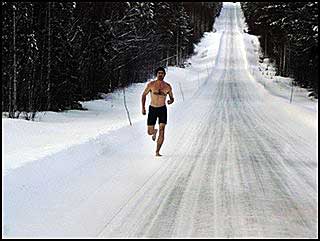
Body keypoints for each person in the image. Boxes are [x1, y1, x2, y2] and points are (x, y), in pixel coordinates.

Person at [141, 67, 174, 156]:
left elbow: (172, 98)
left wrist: (170, 101)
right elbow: (144, 95)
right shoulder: (151, 84)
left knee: (162, 129)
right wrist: (143, 108)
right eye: (159, 73)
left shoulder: (167, 86)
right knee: (149, 132)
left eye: (162, 73)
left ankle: (157, 151)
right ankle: (154, 132)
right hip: (153, 109)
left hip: (162, 109)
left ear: (164, 75)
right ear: (156, 74)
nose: (160, 74)